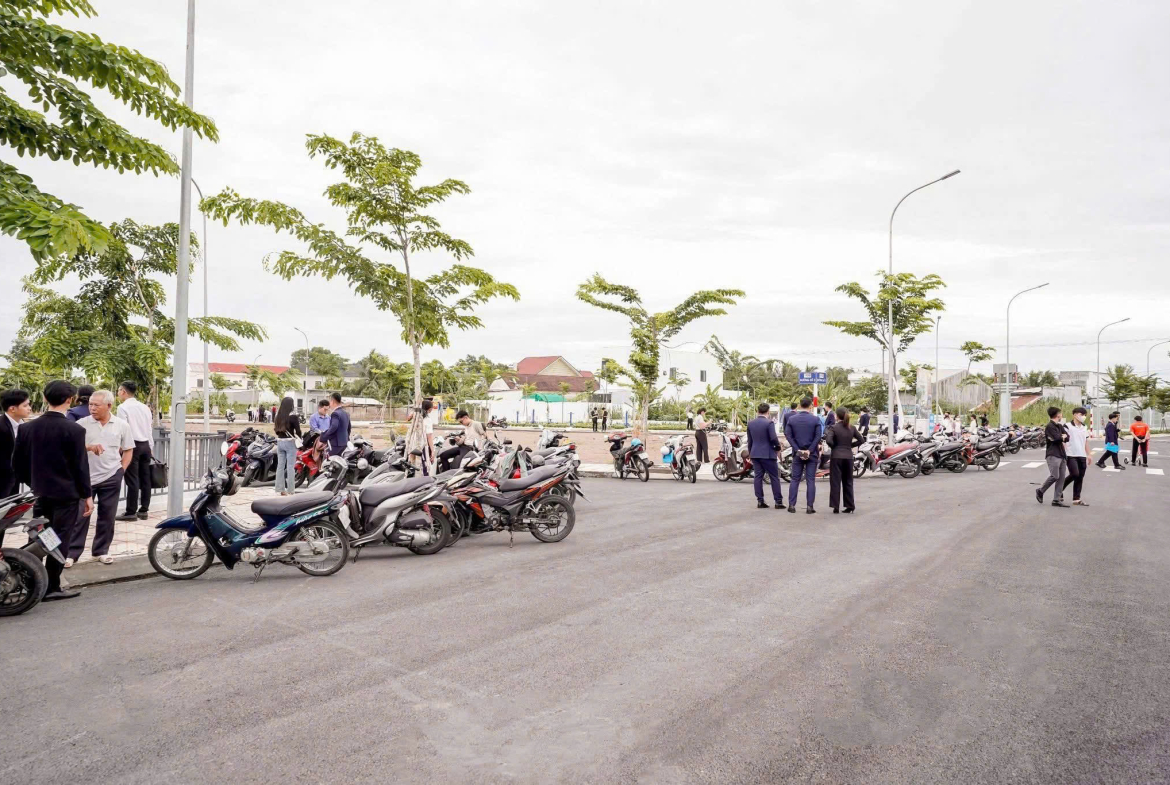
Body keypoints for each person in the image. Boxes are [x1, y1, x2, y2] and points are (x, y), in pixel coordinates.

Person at [13, 380, 91, 601]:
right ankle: (52, 585)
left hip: (39, 493)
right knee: (60, 538)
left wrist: (34, 483)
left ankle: (32, 579)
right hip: (67, 494)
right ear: (70, 400)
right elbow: (80, 467)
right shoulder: (75, 430)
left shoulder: (26, 428)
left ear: (45, 398)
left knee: (43, 535)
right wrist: (87, 495)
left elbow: (17, 465)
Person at [71, 390, 134, 565]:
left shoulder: (122, 425)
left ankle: (101, 551)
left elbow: (128, 449)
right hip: (86, 478)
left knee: (107, 516)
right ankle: (72, 553)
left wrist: (121, 470)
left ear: (109, 406)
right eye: (90, 404)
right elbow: (72, 448)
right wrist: (89, 447)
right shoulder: (81, 424)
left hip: (111, 476)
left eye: (96, 405)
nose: (92, 408)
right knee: (81, 516)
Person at [115, 381, 154, 522]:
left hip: (132, 446)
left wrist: (121, 448)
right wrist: (151, 447)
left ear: (123, 391)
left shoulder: (122, 408)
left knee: (132, 479)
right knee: (145, 478)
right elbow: (149, 428)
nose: (118, 393)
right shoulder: (145, 407)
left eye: (119, 390)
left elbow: (122, 430)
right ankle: (144, 510)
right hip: (145, 445)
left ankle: (130, 512)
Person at [0, 389, 32, 548]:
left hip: (12, 483)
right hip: (2, 482)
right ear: (12, 408)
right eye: (25, 405)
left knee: (3, 522)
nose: (29, 408)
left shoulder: (22, 426)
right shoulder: (1, 427)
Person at [784, 396, 822, 514]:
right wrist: (809, 450)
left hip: (797, 454)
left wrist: (798, 450)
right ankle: (810, 507)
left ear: (800, 405)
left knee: (795, 479)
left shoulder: (792, 419)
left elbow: (788, 435)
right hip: (812, 454)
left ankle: (791, 505)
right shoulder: (815, 419)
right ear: (811, 406)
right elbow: (818, 436)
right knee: (810, 480)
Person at [825, 407, 863, 514]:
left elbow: (828, 440)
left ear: (837, 416)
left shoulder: (833, 427)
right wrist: (850, 445)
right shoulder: (852, 428)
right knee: (848, 482)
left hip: (836, 456)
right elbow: (861, 440)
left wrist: (834, 447)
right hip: (848, 457)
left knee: (835, 482)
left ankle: (835, 506)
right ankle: (850, 505)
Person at [746, 402, 783, 510]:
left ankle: (760, 501)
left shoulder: (750, 423)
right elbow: (773, 438)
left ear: (758, 411)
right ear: (768, 412)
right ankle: (778, 501)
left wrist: (751, 453)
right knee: (774, 477)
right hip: (768, 454)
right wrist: (778, 448)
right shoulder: (769, 423)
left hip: (755, 454)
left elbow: (750, 441)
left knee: (758, 477)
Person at [1036, 406, 1070, 507]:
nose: (1061, 415)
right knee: (1055, 476)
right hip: (1053, 454)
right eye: (1061, 413)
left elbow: (1067, 437)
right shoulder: (1049, 426)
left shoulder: (1059, 426)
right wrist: (1061, 437)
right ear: (1058, 415)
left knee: (1061, 478)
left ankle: (1056, 500)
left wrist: (1062, 437)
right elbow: (1057, 438)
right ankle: (1040, 491)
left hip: (1062, 454)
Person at [1061, 406, 1090, 507]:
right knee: (1075, 474)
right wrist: (1063, 453)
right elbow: (1063, 441)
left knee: (1080, 477)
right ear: (1074, 415)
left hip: (1082, 455)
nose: (1083, 416)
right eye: (1081, 414)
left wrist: (1089, 454)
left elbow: (1086, 441)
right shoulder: (1067, 426)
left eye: (1085, 415)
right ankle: (1060, 490)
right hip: (1070, 454)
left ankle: (1076, 499)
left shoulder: (1084, 427)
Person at [273, 396, 301, 496]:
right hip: (290, 443)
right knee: (290, 467)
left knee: (280, 466)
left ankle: (280, 489)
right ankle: (291, 490)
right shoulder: (293, 417)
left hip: (280, 442)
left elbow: (276, 430)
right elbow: (298, 431)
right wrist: (299, 439)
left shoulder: (278, 416)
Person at [318, 392, 351, 458]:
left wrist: (325, 435)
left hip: (335, 444)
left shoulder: (335, 413)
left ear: (332, 401)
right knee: (339, 461)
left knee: (327, 460)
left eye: (330, 401)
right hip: (344, 443)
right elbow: (349, 428)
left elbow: (334, 426)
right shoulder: (346, 413)